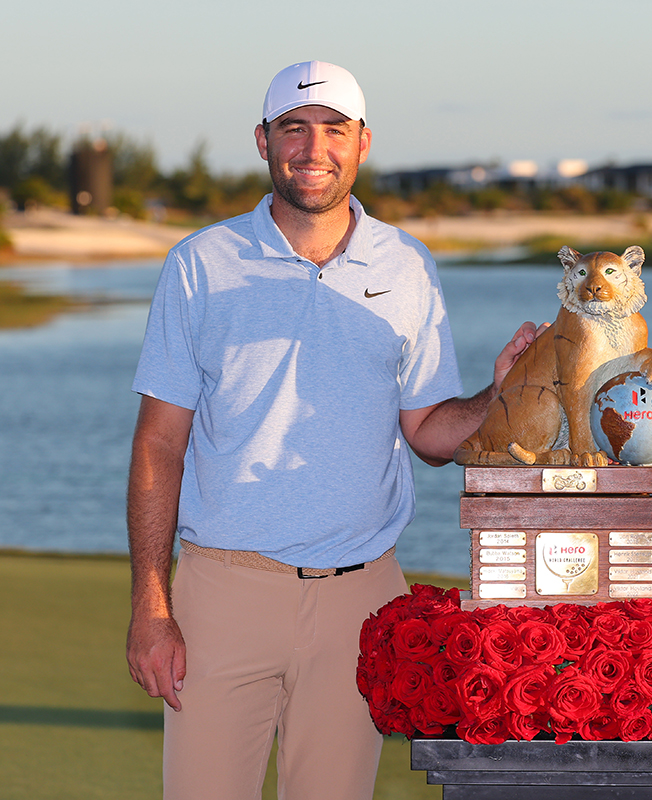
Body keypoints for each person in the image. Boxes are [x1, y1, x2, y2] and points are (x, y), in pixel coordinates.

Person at [124, 61, 540, 800]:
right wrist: (152, 606)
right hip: (224, 592)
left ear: (363, 143)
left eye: (333, 131)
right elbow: (159, 444)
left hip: (363, 598)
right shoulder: (200, 264)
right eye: (294, 128)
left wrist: (498, 396)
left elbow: (430, 434)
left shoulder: (407, 265)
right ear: (263, 141)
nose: (313, 149)